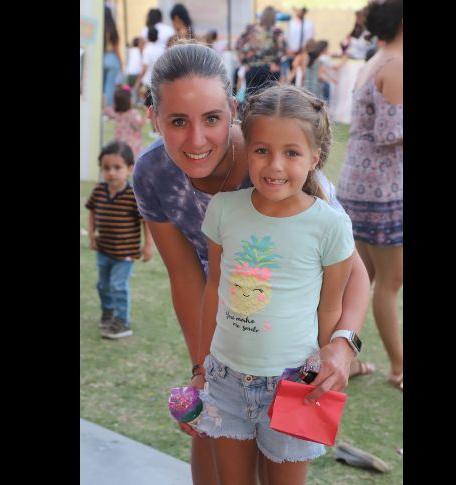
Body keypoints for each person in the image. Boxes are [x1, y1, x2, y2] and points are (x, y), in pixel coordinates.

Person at [131, 41, 370, 485]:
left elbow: (352, 271)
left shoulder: (279, 162)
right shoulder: (152, 173)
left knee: (278, 466)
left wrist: (341, 344)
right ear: (153, 118)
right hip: (227, 339)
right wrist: (201, 368)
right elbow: (188, 277)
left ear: (233, 109)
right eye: (178, 121)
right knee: (211, 456)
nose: (197, 139)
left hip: (290, 345)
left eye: (213, 119)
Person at [191, 84, 355, 484]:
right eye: (262, 150)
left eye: (292, 153)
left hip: (296, 384)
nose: (275, 165)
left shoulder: (330, 226)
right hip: (225, 381)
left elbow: (330, 307)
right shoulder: (224, 210)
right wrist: (200, 370)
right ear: (247, 148)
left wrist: (326, 368)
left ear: (314, 157)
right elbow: (214, 290)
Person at [336, 0, 403, 390]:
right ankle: (399, 368)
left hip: (358, 185)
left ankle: (351, 360)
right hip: (382, 189)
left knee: (361, 281)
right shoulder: (395, 65)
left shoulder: (376, 59)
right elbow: (391, 133)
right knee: (389, 284)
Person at [87, 141, 153, 339]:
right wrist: (92, 234)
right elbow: (92, 211)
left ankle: (122, 322)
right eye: (106, 168)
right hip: (103, 250)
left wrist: (148, 245)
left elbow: (146, 221)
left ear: (129, 169)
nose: (112, 173)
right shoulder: (99, 191)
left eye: (117, 168)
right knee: (102, 285)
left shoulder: (134, 195)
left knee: (118, 285)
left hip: (125, 253)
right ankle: (108, 312)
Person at [235, 6, 286, 100]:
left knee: (251, 101)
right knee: (270, 102)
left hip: (252, 69)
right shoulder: (276, 31)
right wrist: (277, 63)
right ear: (273, 17)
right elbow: (281, 49)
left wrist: (244, 63)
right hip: (270, 70)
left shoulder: (252, 29)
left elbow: (238, 45)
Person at [108, 85, 145, 157]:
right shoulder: (132, 113)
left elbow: (108, 111)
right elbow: (140, 125)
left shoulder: (117, 113)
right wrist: (146, 114)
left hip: (120, 143)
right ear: (129, 101)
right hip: (133, 145)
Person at [134, 27, 165, 107]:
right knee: (157, 104)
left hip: (147, 81)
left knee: (147, 104)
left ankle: (148, 117)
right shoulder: (162, 49)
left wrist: (138, 81)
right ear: (158, 37)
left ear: (148, 37)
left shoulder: (147, 49)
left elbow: (145, 67)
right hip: (159, 80)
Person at [102, 6, 124, 114]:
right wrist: (121, 63)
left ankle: (100, 108)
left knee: (101, 86)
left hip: (101, 59)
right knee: (109, 86)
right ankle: (108, 110)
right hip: (112, 59)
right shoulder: (113, 30)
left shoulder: (100, 28)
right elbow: (117, 49)